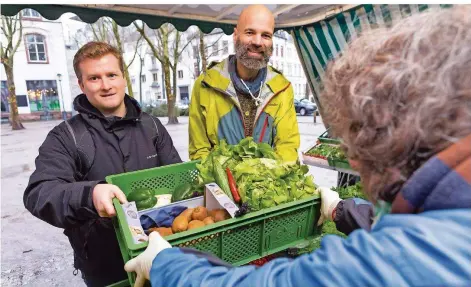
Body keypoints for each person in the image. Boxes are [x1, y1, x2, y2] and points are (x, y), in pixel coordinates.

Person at [124, 7, 471, 287]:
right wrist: (343, 210)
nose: (350, 157)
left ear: (395, 137)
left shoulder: (403, 254)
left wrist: (165, 265)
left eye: (357, 137)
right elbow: (201, 152)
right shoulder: (443, 214)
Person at [23, 42, 182, 286]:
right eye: (95, 78)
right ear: (82, 84)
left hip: (159, 254)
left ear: (123, 78)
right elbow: (40, 192)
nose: (106, 85)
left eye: (111, 75)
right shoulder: (67, 136)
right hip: (105, 264)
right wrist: (90, 194)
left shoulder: (152, 126)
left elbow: (177, 178)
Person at [188, 5, 300, 162]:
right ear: (235, 35)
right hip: (221, 184)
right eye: (250, 32)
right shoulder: (205, 85)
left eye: (266, 35)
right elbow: (199, 151)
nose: (257, 42)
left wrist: (263, 182)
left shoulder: (282, 88)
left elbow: (287, 147)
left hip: (266, 182)